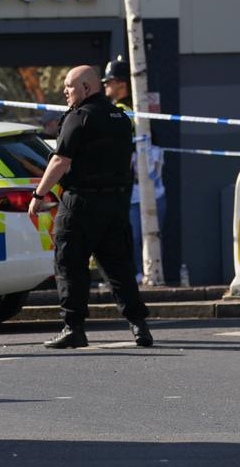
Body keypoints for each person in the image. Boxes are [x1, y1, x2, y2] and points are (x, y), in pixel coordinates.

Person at [29, 65, 153, 349]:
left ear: (86, 88)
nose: (65, 93)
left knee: (70, 264)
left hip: (82, 204)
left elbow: (60, 161)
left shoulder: (79, 117)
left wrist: (39, 194)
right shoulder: (120, 118)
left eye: (69, 87)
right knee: (119, 268)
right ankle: (139, 325)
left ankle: (73, 327)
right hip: (115, 204)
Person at [103, 56, 166, 283]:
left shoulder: (121, 111)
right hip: (153, 189)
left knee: (133, 239)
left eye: (108, 81)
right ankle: (146, 275)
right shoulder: (138, 109)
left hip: (136, 190)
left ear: (121, 83)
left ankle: (138, 276)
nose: (105, 86)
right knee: (147, 240)